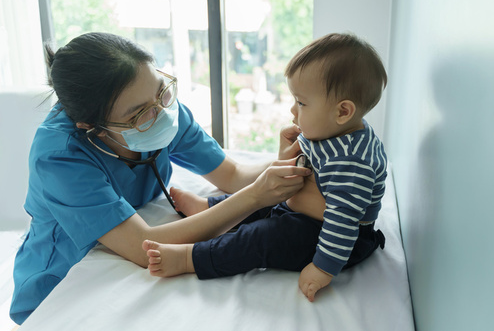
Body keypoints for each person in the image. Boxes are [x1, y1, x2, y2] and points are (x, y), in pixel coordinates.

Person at [10, 32, 310, 325]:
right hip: (62, 279)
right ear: (93, 127)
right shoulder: (59, 156)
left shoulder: (160, 108)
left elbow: (232, 174)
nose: (162, 112)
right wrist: (256, 196)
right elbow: (143, 244)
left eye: (161, 91)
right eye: (140, 114)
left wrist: (294, 157)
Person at [142, 33, 389, 302]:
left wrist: (322, 268)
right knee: (259, 198)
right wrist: (286, 154)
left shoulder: (353, 163)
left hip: (322, 234)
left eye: (302, 103)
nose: (293, 111)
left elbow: (343, 223)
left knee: (260, 238)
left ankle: (192, 259)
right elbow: (298, 169)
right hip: (295, 210)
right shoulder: (329, 130)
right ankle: (210, 208)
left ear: (343, 112)